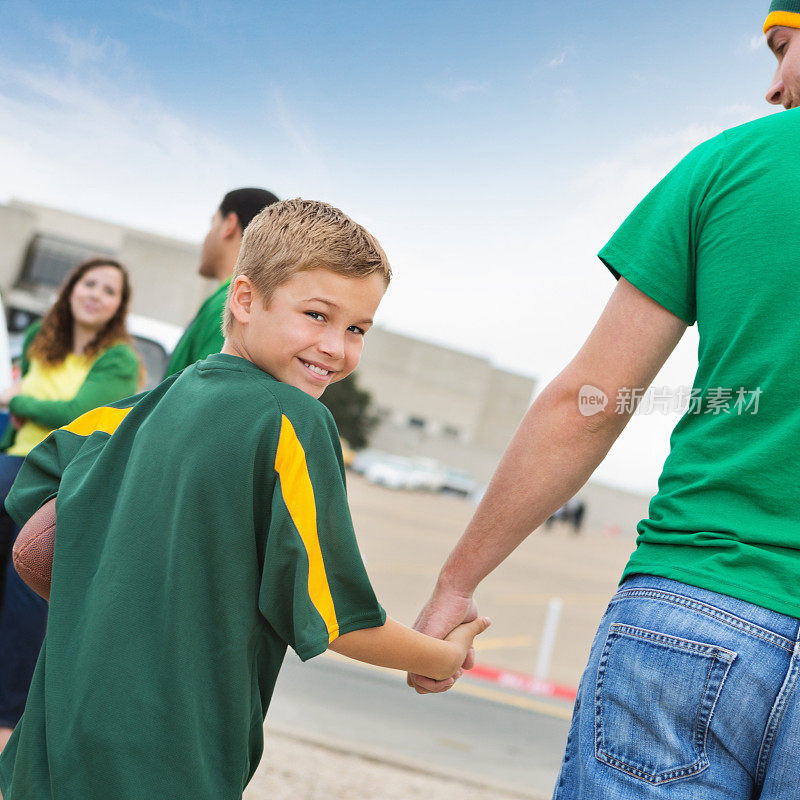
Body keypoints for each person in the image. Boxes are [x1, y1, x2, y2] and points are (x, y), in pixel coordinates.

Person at [410, 6, 800, 799]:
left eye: (785, 49)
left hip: (695, 607)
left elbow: (590, 402)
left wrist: (457, 583)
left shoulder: (728, 166)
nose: (772, 84)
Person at [0, 199, 489, 799]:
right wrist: (442, 657)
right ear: (245, 299)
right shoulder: (293, 421)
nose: (337, 347)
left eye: (357, 329)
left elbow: (36, 497)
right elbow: (333, 616)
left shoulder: (143, 408)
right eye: (316, 315)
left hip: (54, 739)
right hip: (169, 759)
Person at [0, 257, 140, 753]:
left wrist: (20, 405)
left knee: (23, 602)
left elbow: (82, 416)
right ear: (71, 288)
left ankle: (7, 724)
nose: (96, 294)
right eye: (90, 283)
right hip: (9, 465)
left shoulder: (120, 359)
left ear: (119, 306)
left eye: (110, 290)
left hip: (52, 482)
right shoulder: (40, 336)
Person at [164, 187, 280, 376]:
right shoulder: (239, 301)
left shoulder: (234, 304)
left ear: (229, 225)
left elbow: (207, 390)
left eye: (213, 223)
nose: (206, 237)